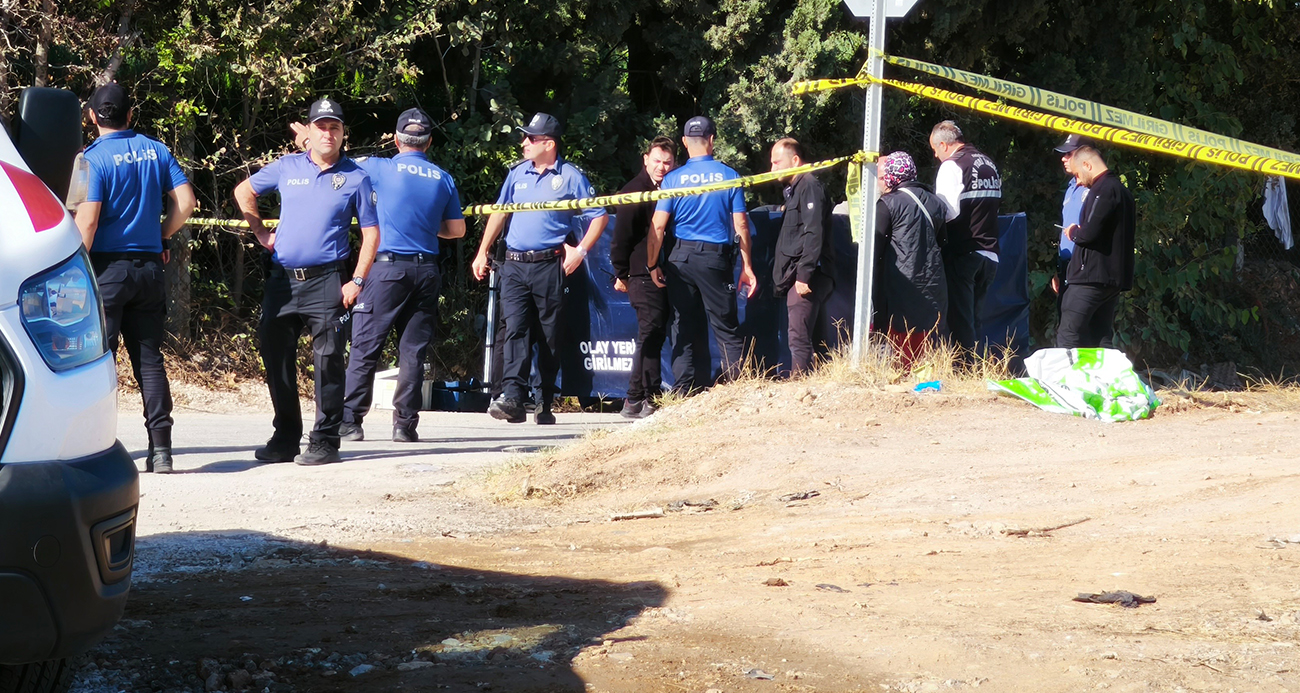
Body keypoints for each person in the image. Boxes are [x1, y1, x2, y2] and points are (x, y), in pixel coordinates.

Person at [233, 97, 379, 466]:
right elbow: (243, 191)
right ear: (309, 132)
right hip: (282, 280)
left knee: (328, 361)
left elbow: (372, 234)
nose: (327, 133)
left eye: (334, 127)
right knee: (275, 358)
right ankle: (285, 437)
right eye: (321, 127)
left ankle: (326, 441)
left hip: (328, 280)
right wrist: (260, 231)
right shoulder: (287, 167)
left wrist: (357, 280)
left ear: (343, 134)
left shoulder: (356, 178)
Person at [75, 82, 196, 474]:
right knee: (149, 361)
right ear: (131, 114)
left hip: (107, 270)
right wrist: (161, 234)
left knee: (98, 362)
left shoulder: (92, 159)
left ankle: (95, 448)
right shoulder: (156, 150)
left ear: (92, 116)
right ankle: (161, 450)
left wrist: (76, 264)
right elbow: (187, 203)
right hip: (148, 268)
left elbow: (88, 220)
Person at [332, 108, 466, 442]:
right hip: (427, 270)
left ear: (396, 139)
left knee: (365, 345)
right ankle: (404, 426)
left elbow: (338, 163)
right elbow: (458, 229)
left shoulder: (378, 167)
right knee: (413, 353)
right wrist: (423, 224)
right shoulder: (443, 178)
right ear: (429, 142)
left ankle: (350, 421)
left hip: (387, 269)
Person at [471, 112, 608, 424]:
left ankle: (544, 399)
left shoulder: (571, 176)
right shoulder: (517, 174)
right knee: (515, 329)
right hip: (515, 265)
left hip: (549, 265)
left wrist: (581, 251)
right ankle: (512, 396)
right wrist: (482, 252)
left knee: (548, 335)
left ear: (549, 143)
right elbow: (498, 213)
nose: (524, 143)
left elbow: (598, 215)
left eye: (531, 138)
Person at [646, 116, 757, 391]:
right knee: (725, 327)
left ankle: (683, 392)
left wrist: (652, 264)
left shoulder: (672, 179)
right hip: (713, 259)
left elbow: (658, 226)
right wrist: (747, 266)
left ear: (684, 143)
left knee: (683, 326)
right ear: (712, 140)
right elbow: (741, 223)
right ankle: (734, 390)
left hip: (680, 259)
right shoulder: (729, 176)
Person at [611, 136, 676, 417]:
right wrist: (621, 273)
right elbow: (620, 238)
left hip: (661, 271)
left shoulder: (669, 188)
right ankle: (649, 396)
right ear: (645, 159)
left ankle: (635, 398)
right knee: (650, 332)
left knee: (654, 332)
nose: (661, 167)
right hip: (640, 273)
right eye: (657, 161)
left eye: (668, 162)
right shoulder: (634, 191)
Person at [928, 120, 1001, 358]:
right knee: (975, 319)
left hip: (963, 252)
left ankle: (964, 371)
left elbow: (945, 212)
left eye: (935, 149)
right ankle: (976, 367)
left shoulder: (952, 166)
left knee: (960, 320)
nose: (935, 155)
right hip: (990, 253)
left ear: (943, 144)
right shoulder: (987, 162)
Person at [873, 151, 949, 368]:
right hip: (934, 281)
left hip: (901, 284)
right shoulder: (936, 202)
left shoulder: (888, 203)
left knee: (901, 339)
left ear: (891, 175)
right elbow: (943, 241)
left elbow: (876, 245)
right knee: (928, 339)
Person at [1058, 145, 1135, 348]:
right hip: (1112, 279)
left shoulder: (1103, 189)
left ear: (1086, 164)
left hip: (1091, 277)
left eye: (1078, 174)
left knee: (1069, 331)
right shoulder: (1122, 191)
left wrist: (1074, 231)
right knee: (1100, 335)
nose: (1079, 181)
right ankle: (1105, 379)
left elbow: (1089, 233)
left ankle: (1068, 378)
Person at [769, 137, 834, 375]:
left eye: (777, 163)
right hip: (801, 274)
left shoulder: (809, 186)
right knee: (812, 336)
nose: (772, 169)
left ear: (795, 161)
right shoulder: (795, 190)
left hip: (808, 275)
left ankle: (801, 387)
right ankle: (820, 382)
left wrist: (804, 275)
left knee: (798, 337)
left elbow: (813, 231)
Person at [1053, 134, 1094, 315]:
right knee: (1064, 323)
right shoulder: (1070, 187)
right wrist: (1058, 270)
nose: (1063, 158)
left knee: (1075, 331)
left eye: (1069, 154)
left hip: (1084, 270)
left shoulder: (1095, 189)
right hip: (1066, 268)